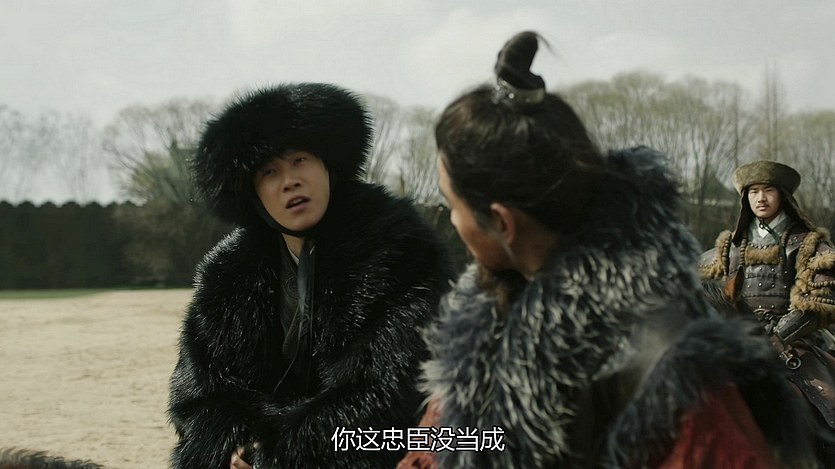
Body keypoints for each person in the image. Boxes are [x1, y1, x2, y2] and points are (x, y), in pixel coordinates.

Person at [398, 31, 816, 469]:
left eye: (452, 205)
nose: (452, 220)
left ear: (502, 222)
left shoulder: (664, 366)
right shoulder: (480, 316)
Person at [167, 83, 452, 468]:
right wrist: (234, 444)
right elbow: (198, 396)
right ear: (253, 192)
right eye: (269, 171)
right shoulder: (227, 277)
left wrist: (280, 452)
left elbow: (391, 396)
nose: (290, 181)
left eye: (300, 160)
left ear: (328, 166)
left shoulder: (399, 250)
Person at [699, 160, 835, 465]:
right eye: (753, 192)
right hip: (735, 341)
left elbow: (818, 300)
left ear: (783, 195)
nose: (760, 198)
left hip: (795, 344)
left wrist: (778, 337)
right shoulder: (724, 251)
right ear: (745, 198)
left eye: (768, 190)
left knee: (829, 408)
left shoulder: (810, 246)